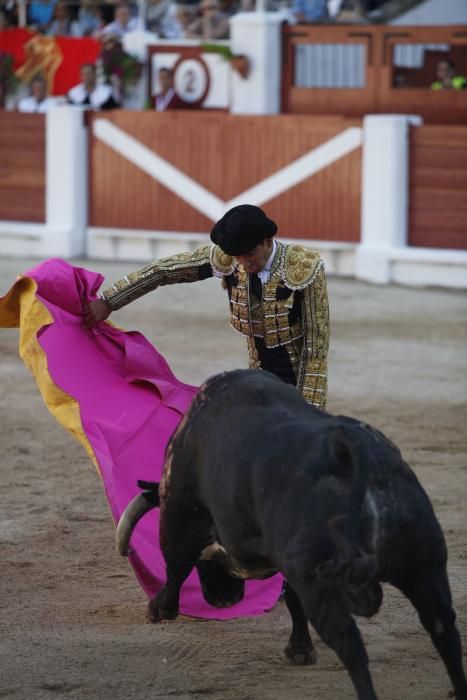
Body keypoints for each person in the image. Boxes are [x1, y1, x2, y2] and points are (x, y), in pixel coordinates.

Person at [84, 204, 330, 408]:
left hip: (297, 373)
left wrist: (309, 407)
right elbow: (163, 271)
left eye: (249, 254)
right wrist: (110, 300)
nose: (243, 263)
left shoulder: (304, 268)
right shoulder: (228, 259)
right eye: (237, 256)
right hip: (259, 371)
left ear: (267, 241)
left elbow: (315, 345)